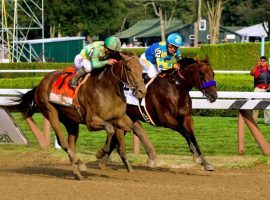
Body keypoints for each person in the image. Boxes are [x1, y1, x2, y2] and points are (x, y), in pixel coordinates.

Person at [250, 55, 270, 124]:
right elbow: (252, 73)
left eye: (263, 61)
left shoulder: (269, 69)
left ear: (266, 62)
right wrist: (256, 65)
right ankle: (254, 121)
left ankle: (267, 121)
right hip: (258, 89)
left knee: (267, 106)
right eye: (261, 61)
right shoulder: (257, 68)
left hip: (267, 89)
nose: (262, 62)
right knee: (256, 106)